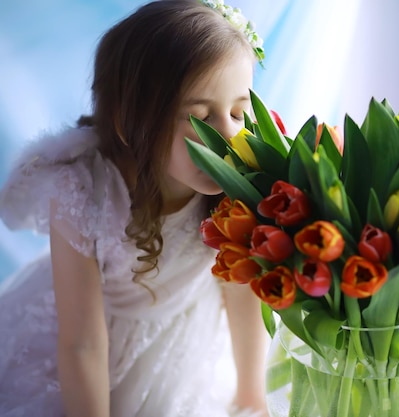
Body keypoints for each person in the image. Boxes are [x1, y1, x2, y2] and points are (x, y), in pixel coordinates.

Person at [0, 1, 269, 416]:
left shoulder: (238, 184)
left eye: (237, 111)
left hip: (182, 337)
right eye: (200, 117)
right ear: (130, 123)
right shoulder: (82, 191)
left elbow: (241, 294)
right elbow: (81, 344)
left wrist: (251, 398)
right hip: (90, 340)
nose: (228, 135)